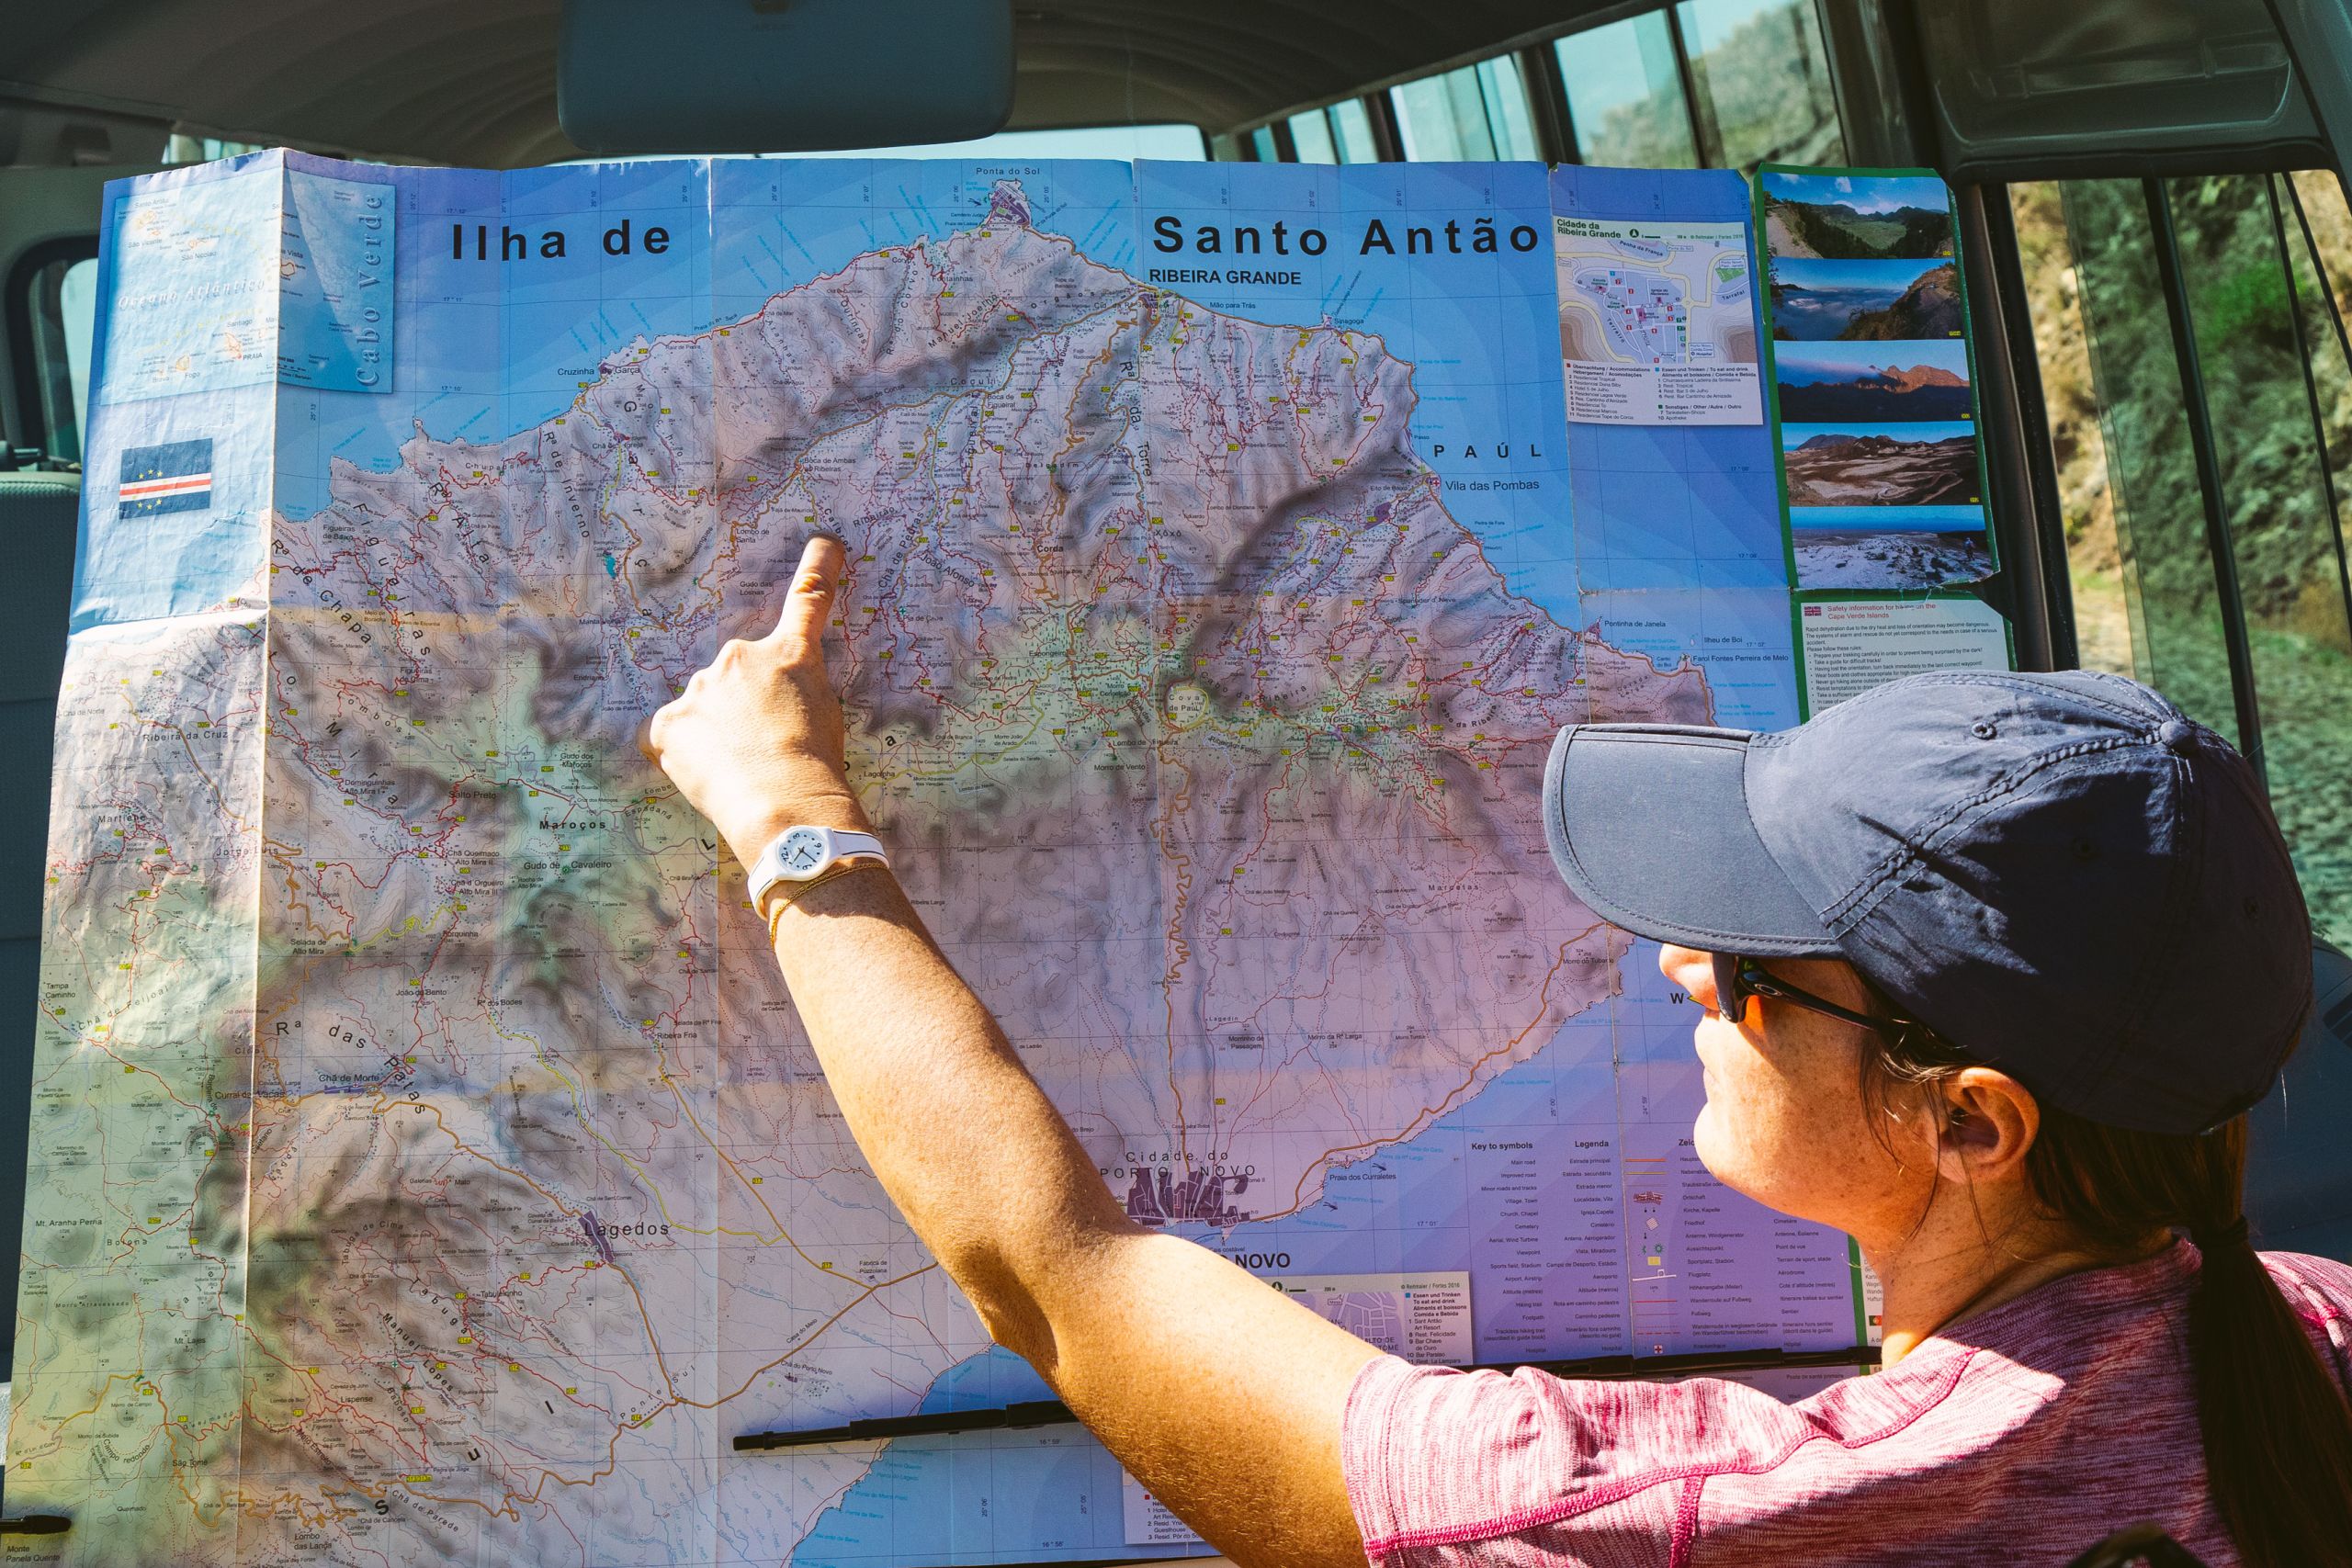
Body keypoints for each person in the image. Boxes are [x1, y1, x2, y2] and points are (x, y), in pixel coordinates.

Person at [644, 536, 2352, 1567]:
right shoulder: (2317, 1338)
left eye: (1757, 963)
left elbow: (1060, 1279)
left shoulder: (1736, 1519)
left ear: (1976, 1122)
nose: (1684, 966)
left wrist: (789, 821)